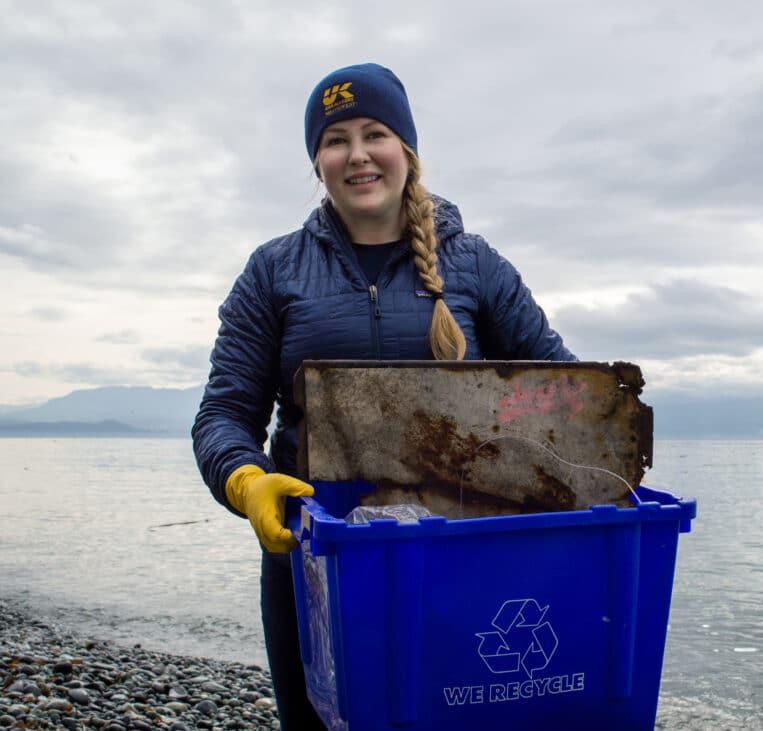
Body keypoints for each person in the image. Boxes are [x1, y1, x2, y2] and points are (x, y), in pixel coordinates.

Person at [191, 62, 575, 730]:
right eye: (336, 138)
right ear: (317, 161)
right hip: (316, 563)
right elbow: (224, 411)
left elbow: (563, 392)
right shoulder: (273, 271)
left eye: (376, 133)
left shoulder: (474, 263)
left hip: (459, 556)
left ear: (407, 150)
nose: (358, 153)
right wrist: (246, 479)